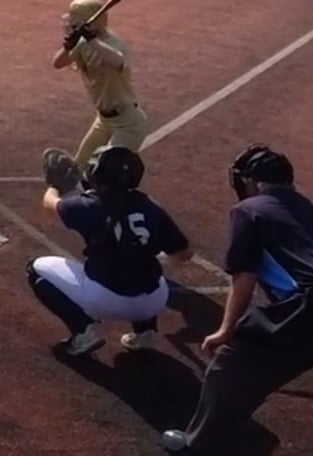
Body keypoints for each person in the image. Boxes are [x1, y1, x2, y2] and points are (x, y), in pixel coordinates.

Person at [161, 145, 313, 455]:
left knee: (232, 366)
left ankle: (200, 446)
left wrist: (226, 330)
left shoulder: (249, 210)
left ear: (250, 181)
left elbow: (245, 276)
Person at [27, 146, 193, 356]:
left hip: (106, 300)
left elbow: (51, 205)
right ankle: (146, 332)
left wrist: (54, 186)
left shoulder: (87, 206)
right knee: (143, 270)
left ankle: (84, 332)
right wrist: (150, 257)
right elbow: (184, 253)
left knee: (35, 269)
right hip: (154, 300)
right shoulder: (150, 206)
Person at [53, 0, 148, 172]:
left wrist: (91, 40)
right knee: (77, 169)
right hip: (103, 121)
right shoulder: (82, 44)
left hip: (127, 123)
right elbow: (58, 63)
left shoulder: (115, 44)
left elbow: (117, 61)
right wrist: (68, 45)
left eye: (75, 20)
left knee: (105, 172)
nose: (70, 23)